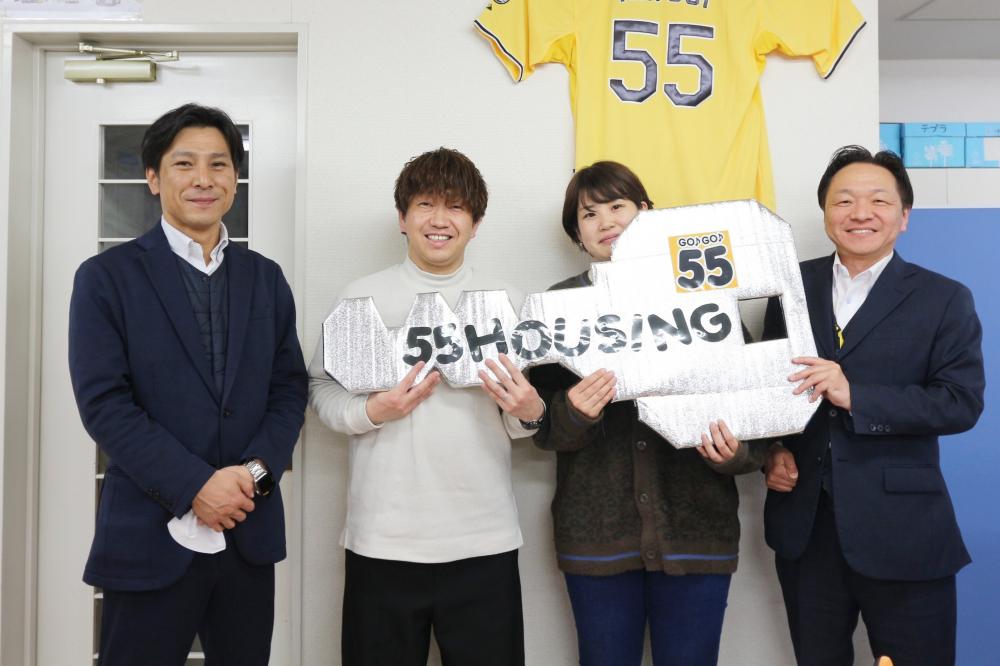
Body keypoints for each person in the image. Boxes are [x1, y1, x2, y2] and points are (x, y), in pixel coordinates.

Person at [68, 103, 308, 665]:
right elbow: (105, 405)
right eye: (184, 164)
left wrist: (251, 477)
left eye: (219, 164)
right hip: (148, 535)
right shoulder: (106, 278)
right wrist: (197, 485)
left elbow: (288, 390)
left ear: (235, 179)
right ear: (154, 178)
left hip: (247, 535)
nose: (204, 178)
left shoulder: (266, 278)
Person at [308, 147, 543, 666]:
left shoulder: (508, 302)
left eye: (456, 207)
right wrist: (374, 411)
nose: (440, 220)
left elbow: (525, 421)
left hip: (484, 540)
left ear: (475, 224)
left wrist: (529, 409)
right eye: (425, 205)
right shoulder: (362, 298)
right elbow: (322, 390)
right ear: (402, 218)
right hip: (382, 541)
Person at [528, 161, 764, 666]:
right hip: (597, 539)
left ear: (646, 212)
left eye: (618, 206)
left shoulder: (705, 293)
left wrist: (735, 454)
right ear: (577, 233)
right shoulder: (556, 307)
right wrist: (573, 413)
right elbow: (540, 427)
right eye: (589, 214)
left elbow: (758, 412)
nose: (606, 221)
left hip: (696, 531)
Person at [763, 146, 985, 665]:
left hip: (905, 531)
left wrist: (855, 395)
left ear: (904, 216)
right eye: (844, 200)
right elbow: (765, 389)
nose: (860, 212)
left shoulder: (944, 298)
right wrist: (770, 451)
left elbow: (959, 403)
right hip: (806, 531)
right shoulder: (788, 287)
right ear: (825, 213)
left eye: (879, 200)